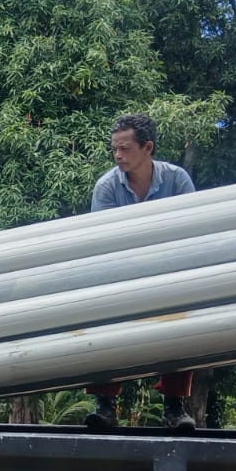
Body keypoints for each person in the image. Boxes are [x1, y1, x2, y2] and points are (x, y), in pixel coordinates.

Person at [86, 112, 198, 431]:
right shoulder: (106, 188)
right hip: (121, 277)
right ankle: (105, 405)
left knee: (182, 321)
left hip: (170, 275)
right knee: (102, 322)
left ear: (147, 147)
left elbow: (189, 234)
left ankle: (175, 406)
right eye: (115, 149)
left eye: (125, 148)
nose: (118, 155)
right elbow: (105, 245)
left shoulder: (177, 180)